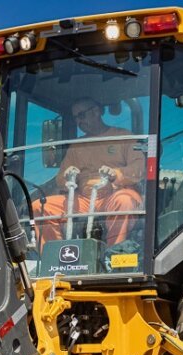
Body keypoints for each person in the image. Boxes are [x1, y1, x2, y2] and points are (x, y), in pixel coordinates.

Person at [32, 98, 144, 247]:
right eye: (76, 118)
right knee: (40, 207)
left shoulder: (123, 137)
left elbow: (139, 168)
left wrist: (116, 174)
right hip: (83, 199)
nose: (79, 121)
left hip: (115, 193)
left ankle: (115, 253)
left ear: (96, 111)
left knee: (124, 201)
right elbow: (60, 179)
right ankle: (56, 255)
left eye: (81, 115)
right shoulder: (77, 146)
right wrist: (67, 177)